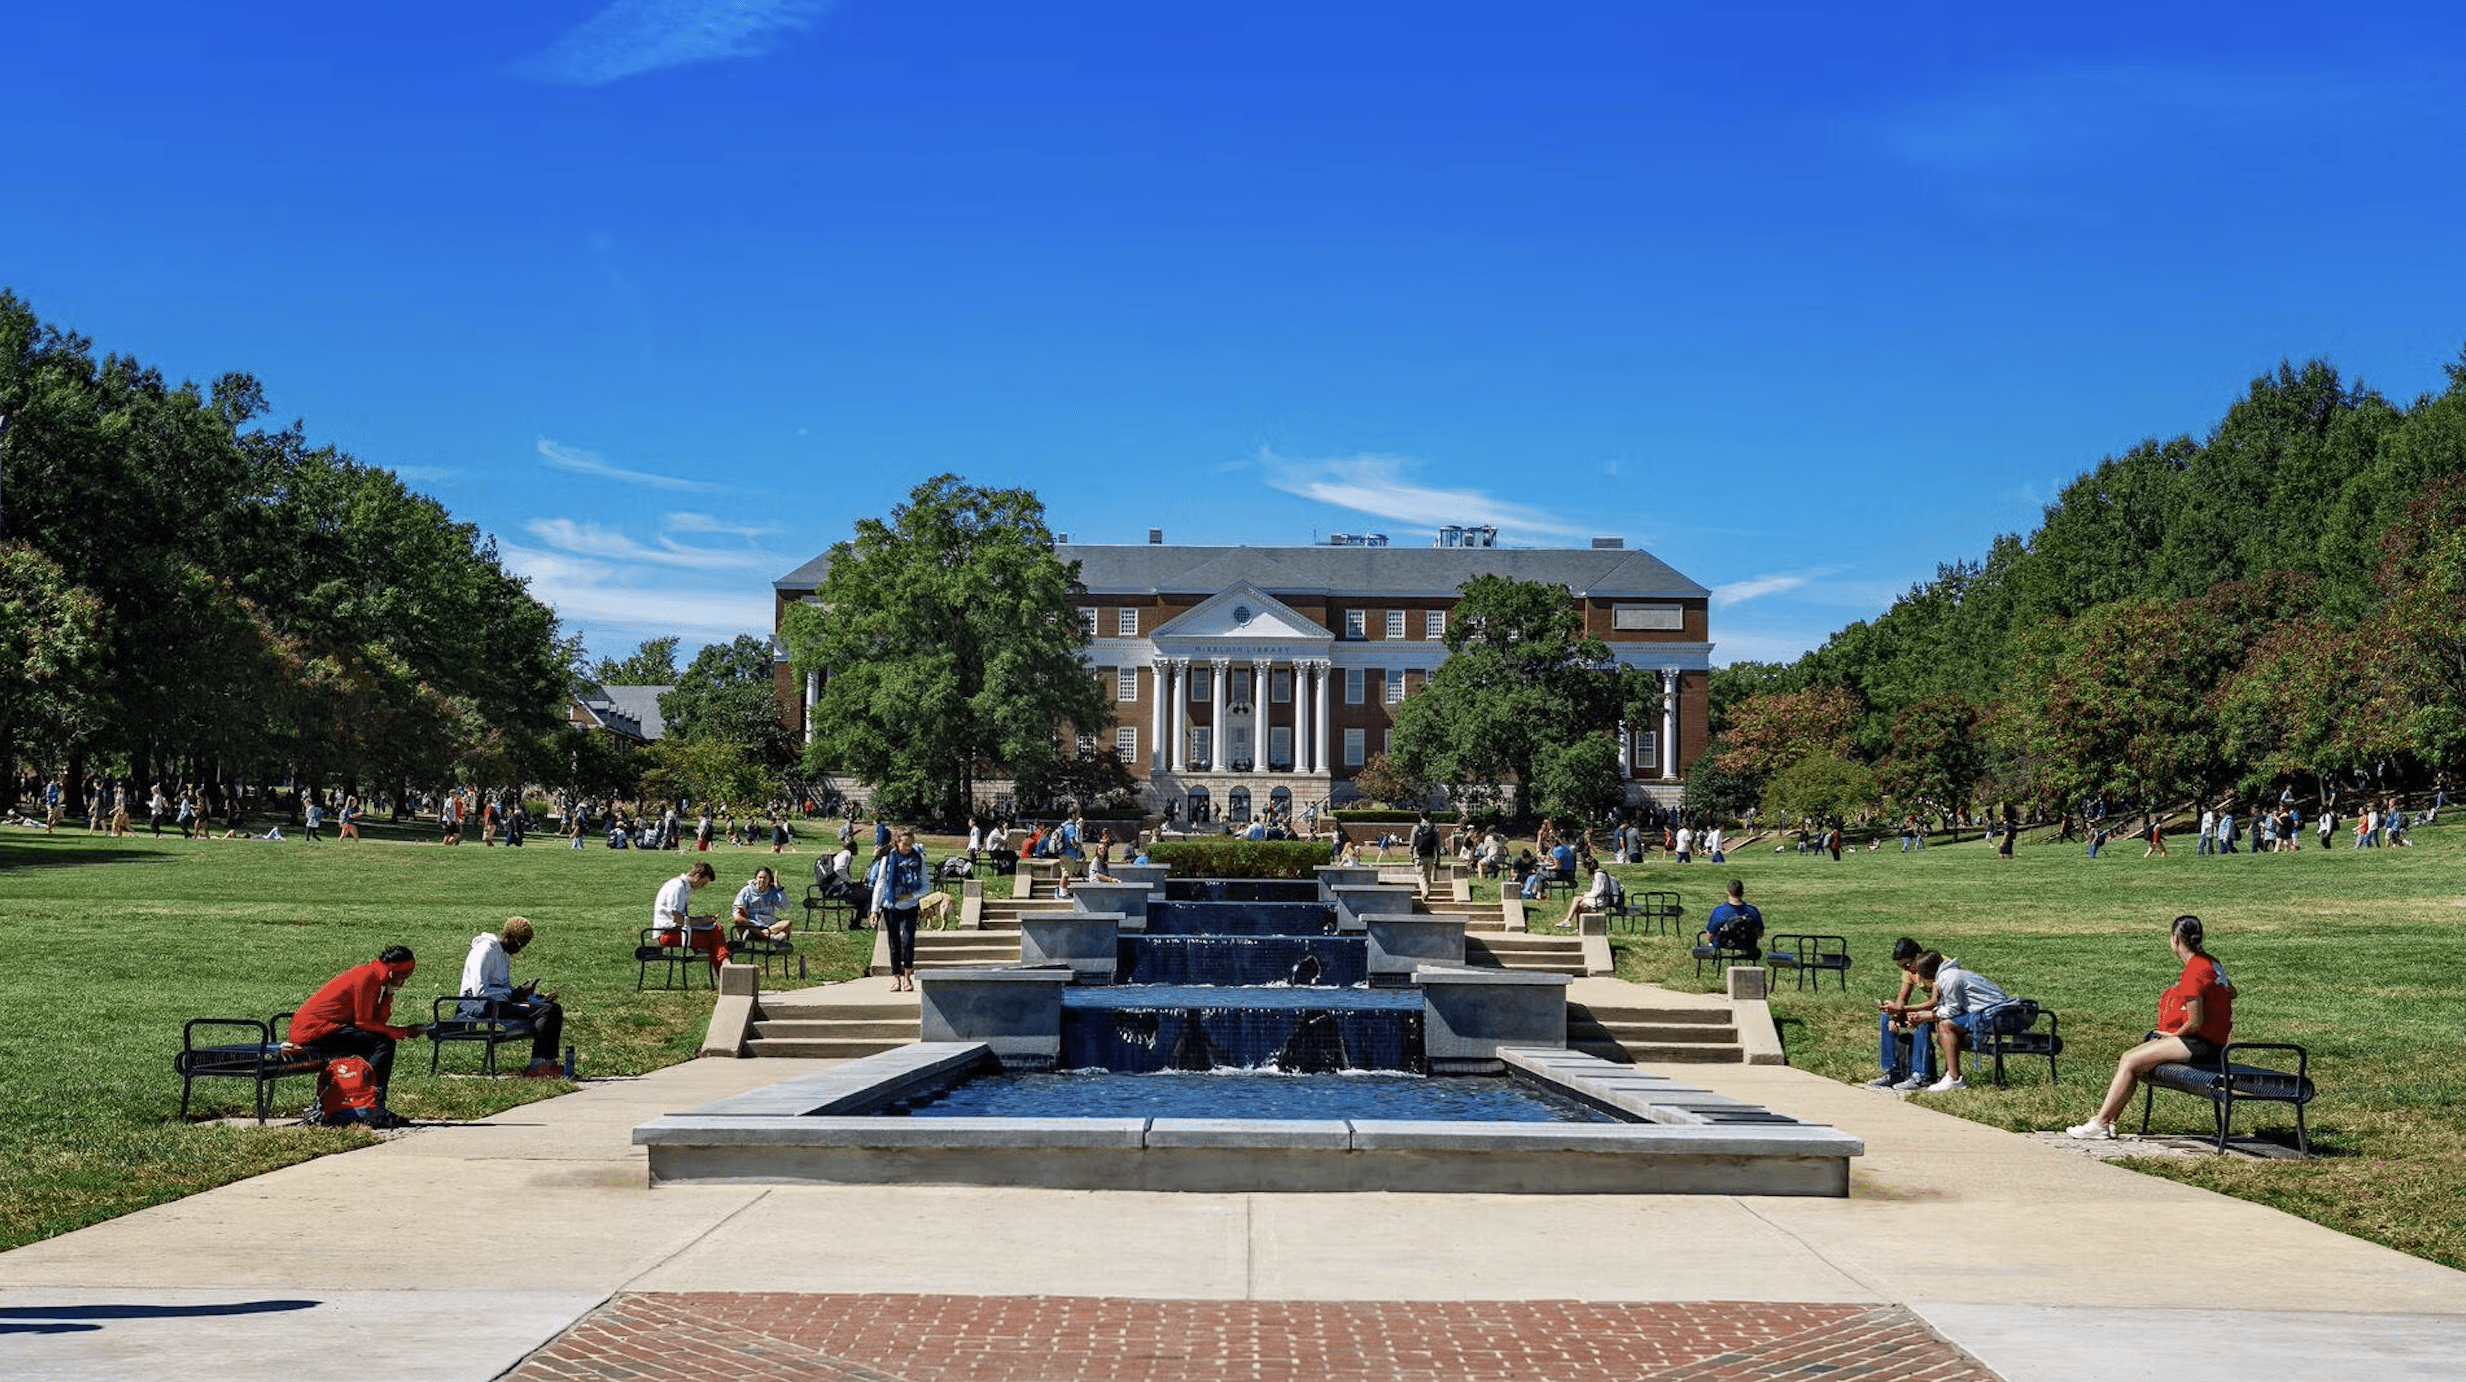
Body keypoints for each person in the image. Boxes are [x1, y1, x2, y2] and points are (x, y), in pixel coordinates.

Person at [2067, 916, 2235, 1139]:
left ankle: (2100, 1123)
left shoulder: (2193, 972)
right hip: (2213, 1040)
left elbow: (2195, 1023)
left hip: (2202, 1043)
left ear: (2175, 938)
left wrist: (2172, 1035)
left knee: (2129, 1060)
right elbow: (2232, 992)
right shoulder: (2211, 962)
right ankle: (2108, 1121)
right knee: (2133, 1060)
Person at [289, 945, 431, 1125]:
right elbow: (363, 1022)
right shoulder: (367, 977)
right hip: (313, 1031)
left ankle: (366, 1104)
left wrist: (388, 995)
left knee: (378, 1042)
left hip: (328, 1028)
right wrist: (403, 1032)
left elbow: (377, 1022)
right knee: (382, 1044)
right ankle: (373, 1105)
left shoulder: (374, 976)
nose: (405, 980)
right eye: (405, 975)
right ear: (394, 971)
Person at [458, 918, 566, 1079]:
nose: (520, 949)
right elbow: (479, 991)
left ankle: (548, 1063)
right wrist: (514, 994)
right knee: (546, 1011)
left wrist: (535, 998)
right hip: (476, 1004)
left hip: (497, 1002)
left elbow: (505, 989)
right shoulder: (484, 951)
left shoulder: (504, 955)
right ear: (508, 936)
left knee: (552, 1008)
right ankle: (538, 1066)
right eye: (520, 943)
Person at [1902, 950, 2009, 1093]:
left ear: (1926, 972)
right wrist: (1922, 1016)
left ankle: (1954, 1078)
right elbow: (1947, 1007)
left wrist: (1925, 1017)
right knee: (1943, 1023)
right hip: (1988, 1012)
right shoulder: (1949, 975)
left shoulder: (1949, 978)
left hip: (1995, 1014)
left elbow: (1951, 1011)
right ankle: (1951, 1075)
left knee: (1946, 1025)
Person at [1864, 938, 1941, 1091]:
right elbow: (1902, 998)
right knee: (1886, 1017)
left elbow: (1933, 1002)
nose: (1907, 970)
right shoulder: (1909, 969)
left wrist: (1904, 1010)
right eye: (1902, 967)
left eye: (1907, 965)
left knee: (1920, 1019)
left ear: (1918, 957)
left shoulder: (1934, 964)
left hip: (1946, 1010)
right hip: (1933, 1010)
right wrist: (1894, 1015)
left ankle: (1921, 1075)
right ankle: (1892, 1070)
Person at [872, 827, 932, 992]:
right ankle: (896, 978)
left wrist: (912, 895)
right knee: (894, 943)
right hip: (890, 906)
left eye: (911, 844)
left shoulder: (918, 860)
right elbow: (881, 883)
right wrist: (874, 909)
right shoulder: (888, 860)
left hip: (910, 905)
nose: (908, 847)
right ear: (897, 843)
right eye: (905, 844)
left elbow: (926, 886)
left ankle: (907, 977)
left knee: (907, 941)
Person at [653, 861, 727, 977]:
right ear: (697, 877)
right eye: (703, 884)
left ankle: (724, 966)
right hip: (668, 934)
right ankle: (724, 967)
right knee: (712, 941)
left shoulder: (682, 886)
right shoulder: (677, 887)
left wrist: (702, 920)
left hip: (677, 930)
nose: (702, 887)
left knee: (716, 929)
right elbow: (677, 919)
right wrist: (702, 921)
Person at [1700, 879, 1763, 958]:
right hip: (1747, 944)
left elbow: (1710, 935)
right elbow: (1760, 934)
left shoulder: (1719, 911)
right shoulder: (1753, 911)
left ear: (1727, 893)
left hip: (1724, 944)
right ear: (1742, 893)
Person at [732, 865, 793, 942]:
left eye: (765, 878)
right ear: (756, 879)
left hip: (769, 925)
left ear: (769, 880)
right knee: (738, 918)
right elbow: (736, 910)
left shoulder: (773, 891)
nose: (762, 880)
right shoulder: (746, 891)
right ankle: (770, 936)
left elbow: (785, 907)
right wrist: (741, 910)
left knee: (787, 923)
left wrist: (779, 888)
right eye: (760, 877)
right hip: (752, 924)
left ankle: (763, 934)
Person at [1559, 855, 1612, 929]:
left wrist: (1587, 895)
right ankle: (1572, 923)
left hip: (1600, 899)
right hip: (1597, 897)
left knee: (1578, 904)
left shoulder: (1599, 875)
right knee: (1577, 901)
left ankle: (1573, 923)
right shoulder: (1598, 874)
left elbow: (1599, 891)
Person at [1410, 813, 1442, 897]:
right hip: (1430, 855)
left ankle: (1425, 891)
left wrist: (1411, 855)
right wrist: (1438, 858)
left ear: (1420, 816)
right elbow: (1437, 845)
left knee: (1421, 875)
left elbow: (1412, 843)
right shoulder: (1434, 828)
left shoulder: (1416, 827)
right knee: (1428, 876)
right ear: (1429, 816)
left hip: (1419, 855)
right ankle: (1426, 891)